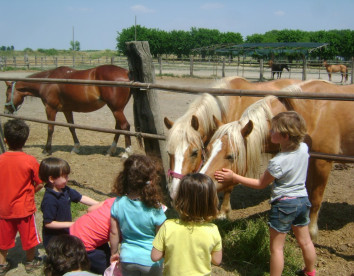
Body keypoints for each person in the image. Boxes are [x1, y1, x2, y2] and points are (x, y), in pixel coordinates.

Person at [214, 111, 317, 276]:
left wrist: (234, 177)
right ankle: (310, 272)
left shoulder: (277, 162)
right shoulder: (304, 148)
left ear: (284, 136)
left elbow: (260, 184)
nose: (270, 133)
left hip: (284, 204)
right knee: (305, 241)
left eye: (273, 130)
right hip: (302, 201)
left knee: (276, 248)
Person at [151, 173, 222, 276]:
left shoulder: (168, 226)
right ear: (212, 202)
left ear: (180, 199)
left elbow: (155, 256)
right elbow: (217, 260)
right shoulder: (213, 230)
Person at [110, 154, 167, 276]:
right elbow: (161, 234)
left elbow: (114, 232)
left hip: (128, 258)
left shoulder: (118, 203)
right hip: (151, 260)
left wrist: (114, 252)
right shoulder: (155, 207)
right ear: (151, 180)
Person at [0, 119, 43, 274]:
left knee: (3, 238)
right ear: (25, 140)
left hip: (4, 208)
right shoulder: (29, 160)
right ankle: (31, 261)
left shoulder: (0, 160)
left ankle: (2, 264)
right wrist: (30, 192)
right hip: (24, 208)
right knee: (29, 237)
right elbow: (40, 182)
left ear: (5, 140)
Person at [39, 157, 98, 249]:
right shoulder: (49, 199)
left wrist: (100, 204)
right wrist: (71, 224)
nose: (68, 178)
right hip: (54, 240)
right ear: (52, 179)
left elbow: (81, 198)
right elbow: (48, 223)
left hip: (66, 234)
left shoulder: (65, 190)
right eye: (65, 176)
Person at [70, 197, 116, 275]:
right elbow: (115, 236)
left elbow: (90, 210)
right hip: (84, 242)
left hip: (74, 229)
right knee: (107, 270)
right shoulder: (128, 214)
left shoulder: (114, 199)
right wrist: (114, 254)